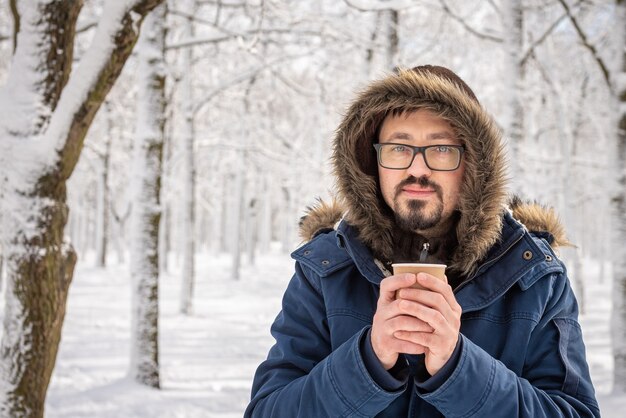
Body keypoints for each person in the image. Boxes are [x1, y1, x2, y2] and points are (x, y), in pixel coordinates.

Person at [244, 65, 600, 417]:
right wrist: (368, 361)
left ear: (474, 165)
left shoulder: (535, 277)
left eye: (442, 149)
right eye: (399, 148)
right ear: (372, 161)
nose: (418, 169)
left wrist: (459, 367)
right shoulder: (324, 270)